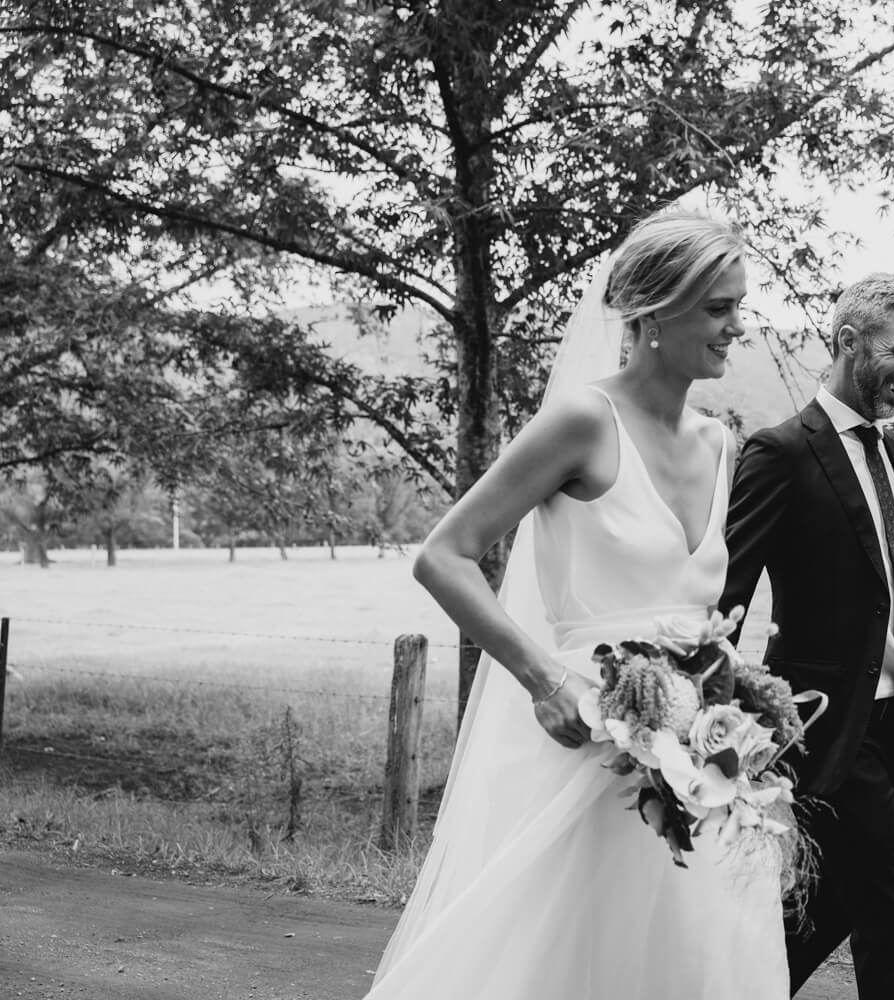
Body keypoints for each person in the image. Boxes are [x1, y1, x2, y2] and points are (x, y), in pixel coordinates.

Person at [365, 209, 789, 998]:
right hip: (586, 740)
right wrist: (543, 679)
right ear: (655, 313)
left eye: (740, 306)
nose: (738, 327)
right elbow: (444, 556)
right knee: (564, 960)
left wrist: (738, 704)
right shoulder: (584, 421)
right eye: (718, 308)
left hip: (695, 760)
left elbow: (695, 611)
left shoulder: (719, 443)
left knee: (689, 960)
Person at [720, 273, 894, 1000]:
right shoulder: (781, 452)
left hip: (890, 726)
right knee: (888, 904)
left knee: (831, 902)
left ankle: (732, 986)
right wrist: (715, 710)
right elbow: (727, 594)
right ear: (849, 342)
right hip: (816, 723)